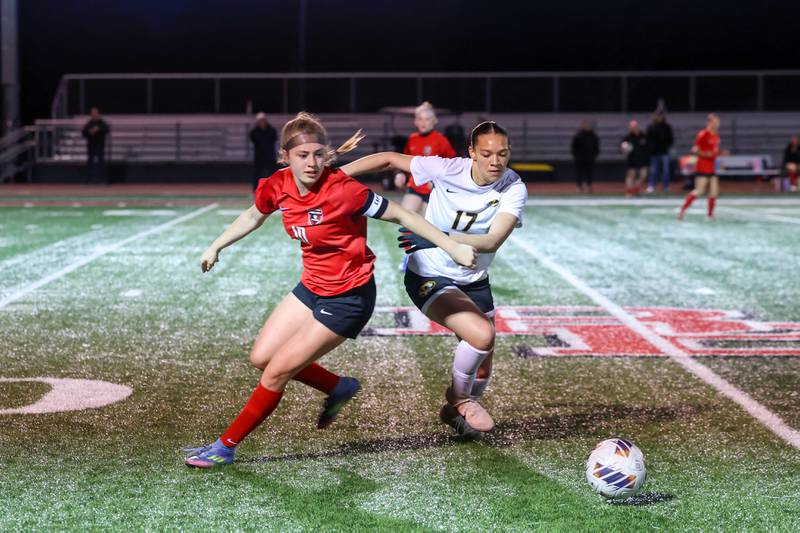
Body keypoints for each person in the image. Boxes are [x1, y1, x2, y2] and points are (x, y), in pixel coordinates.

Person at [183, 112, 476, 468]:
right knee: (261, 358)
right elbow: (251, 216)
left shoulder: (343, 191)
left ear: (327, 154)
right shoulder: (277, 185)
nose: (311, 163)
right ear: (285, 157)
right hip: (311, 287)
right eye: (302, 155)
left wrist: (452, 246)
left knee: (275, 372)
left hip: (349, 298)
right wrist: (216, 245)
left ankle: (225, 446)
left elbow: (403, 214)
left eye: (319, 154)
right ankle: (338, 387)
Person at [342, 121, 528, 439]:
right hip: (429, 273)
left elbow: (493, 240)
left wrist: (440, 237)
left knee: (483, 368)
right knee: (482, 336)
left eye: (502, 154)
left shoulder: (513, 188)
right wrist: (334, 177)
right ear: (471, 152)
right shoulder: (447, 169)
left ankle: (453, 409)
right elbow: (388, 158)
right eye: (486, 153)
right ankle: (459, 400)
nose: (495, 161)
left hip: (474, 278)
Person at [394, 101, 457, 271]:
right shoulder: (412, 139)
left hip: (433, 193)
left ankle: (433, 261)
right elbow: (405, 161)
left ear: (434, 121)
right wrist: (400, 173)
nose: (423, 122)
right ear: (415, 121)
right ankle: (408, 257)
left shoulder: (441, 140)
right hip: (415, 188)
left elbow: (453, 167)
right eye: (419, 119)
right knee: (406, 218)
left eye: (426, 119)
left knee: (429, 228)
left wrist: (437, 181)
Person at [678, 113, 724, 220]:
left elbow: (714, 152)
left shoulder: (716, 136)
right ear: (709, 122)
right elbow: (695, 149)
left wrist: (720, 156)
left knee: (714, 191)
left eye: (717, 122)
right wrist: (705, 154)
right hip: (703, 166)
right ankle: (682, 210)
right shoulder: (703, 134)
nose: (716, 124)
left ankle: (710, 214)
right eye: (714, 122)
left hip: (712, 167)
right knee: (699, 190)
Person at [249, 112, 278, 192]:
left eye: (263, 120)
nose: (262, 122)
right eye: (260, 120)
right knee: (256, 174)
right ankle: (255, 190)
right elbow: (254, 140)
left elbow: (273, 139)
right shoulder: (254, 132)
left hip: (270, 156)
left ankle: (276, 189)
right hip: (259, 157)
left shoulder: (271, 131)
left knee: (273, 174)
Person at [646, 112, 674, 193]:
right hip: (654, 153)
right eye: (658, 116)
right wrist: (651, 148)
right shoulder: (651, 127)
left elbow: (670, 138)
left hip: (664, 152)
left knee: (666, 170)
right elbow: (648, 139)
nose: (659, 117)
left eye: (661, 116)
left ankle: (666, 186)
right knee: (653, 170)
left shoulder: (667, 127)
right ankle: (651, 186)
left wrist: (666, 146)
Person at [81, 107, 110, 185]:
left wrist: (99, 129)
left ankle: (103, 181)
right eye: (93, 113)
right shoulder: (89, 123)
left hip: (100, 146)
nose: (94, 114)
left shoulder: (101, 123)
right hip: (91, 146)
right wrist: (89, 132)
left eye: (95, 112)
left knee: (101, 163)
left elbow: (107, 130)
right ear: (91, 114)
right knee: (90, 164)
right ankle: (88, 181)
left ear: (98, 113)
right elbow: (83, 133)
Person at [620, 120, 649, 197]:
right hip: (632, 160)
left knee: (644, 175)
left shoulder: (643, 136)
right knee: (631, 175)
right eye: (632, 127)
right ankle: (629, 191)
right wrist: (624, 149)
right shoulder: (627, 138)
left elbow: (648, 147)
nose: (634, 128)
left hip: (642, 159)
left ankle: (636, 189)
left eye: (635, 127)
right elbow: (622, 148)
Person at [571, 120, 599, 193]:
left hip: (590, 158)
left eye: (588, 125)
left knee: (589, 173)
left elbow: (596, 147)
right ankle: (579, 187)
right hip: (580, 159)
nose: (586, 126)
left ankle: (589, 186)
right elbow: (574, 147)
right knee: (579, 173)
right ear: (582, 126)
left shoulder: (594, 136)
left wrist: (594, 155)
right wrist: (576, 156)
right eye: (585, 125)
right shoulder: (578, 136)